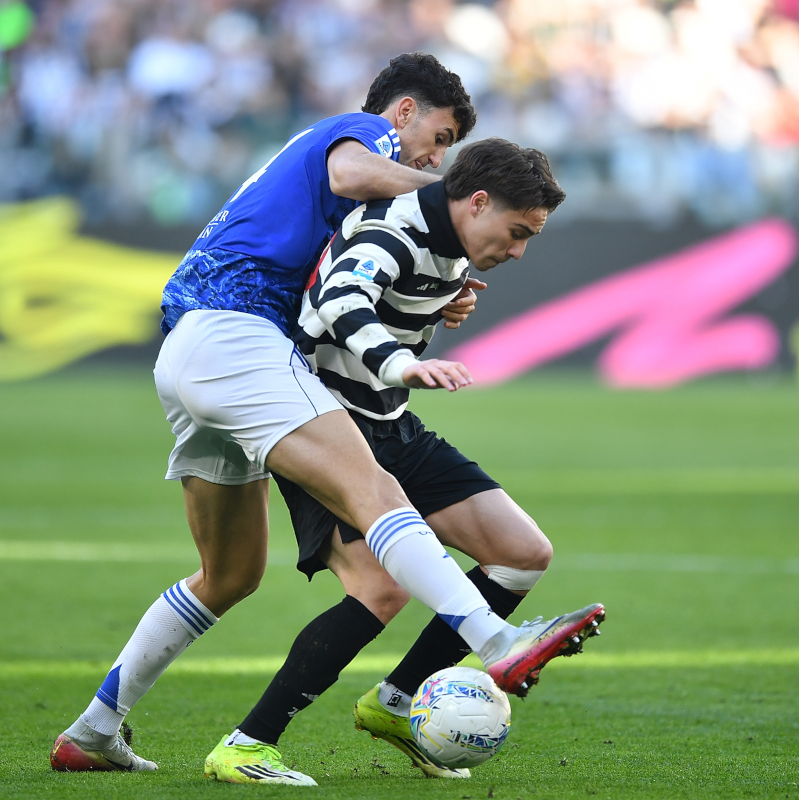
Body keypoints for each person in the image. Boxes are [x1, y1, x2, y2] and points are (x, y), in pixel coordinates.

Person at [50, 54, 602, 774]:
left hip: (193, 352)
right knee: (378, 496)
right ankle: (498, 643)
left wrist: (442, 286)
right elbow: (351, 182)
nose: (436, 154)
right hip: (236, 334)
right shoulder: (358, 135)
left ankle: (93, 730)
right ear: (402, 112)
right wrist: (450, 189)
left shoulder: (364, 208)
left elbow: (356, 261)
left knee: (228, 575)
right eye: (438, 135)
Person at [202, 138, 604, 787]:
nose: (521, 249)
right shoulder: (400, 223)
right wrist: (400, 362)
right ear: (477, 202)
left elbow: (386, 297)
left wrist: (438, 308)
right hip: (323, 427)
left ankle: (395, 704)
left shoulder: (452, 243)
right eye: (518, 230)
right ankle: (246, 744)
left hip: (390, 423)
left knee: (521, 552)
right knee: (379, 588)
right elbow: (339, 297)